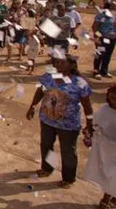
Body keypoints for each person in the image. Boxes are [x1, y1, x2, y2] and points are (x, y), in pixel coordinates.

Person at [26, 56, 94, 188]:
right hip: (47, 120)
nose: (58, 64)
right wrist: (33, 106)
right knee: (46, 145)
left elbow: (87, 105)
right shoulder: (48, 76)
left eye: (62, 62)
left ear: (71, 65)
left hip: (68, 125)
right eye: (56, 62)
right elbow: (40, 91)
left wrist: (90, 123)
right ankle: (47, 168)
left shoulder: (79, 83)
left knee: (68, 151)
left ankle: (68, 178)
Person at [93, 2, 116, 80]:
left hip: (113, 38)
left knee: (108, 55)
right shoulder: (102, 15)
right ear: (109, 7)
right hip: (103, 38)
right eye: (114, 6)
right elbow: (95, 27)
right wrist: (97, 38)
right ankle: (96, 72)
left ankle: (104, 71)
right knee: (99, 54)